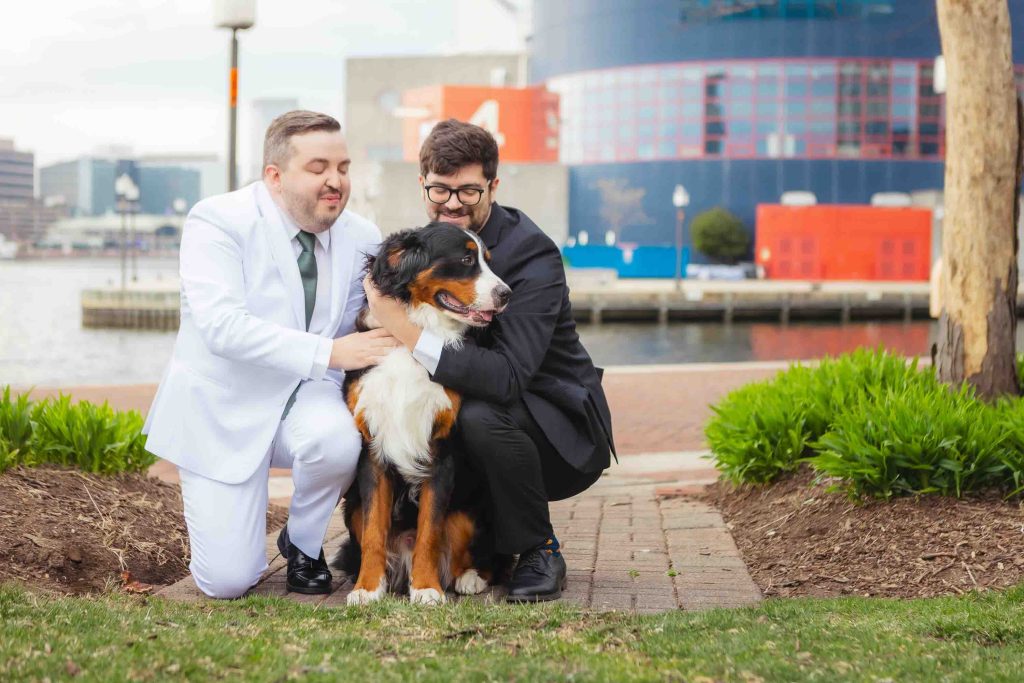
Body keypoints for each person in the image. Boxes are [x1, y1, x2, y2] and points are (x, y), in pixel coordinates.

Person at [143, 111, 396, 599]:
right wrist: (330, 352)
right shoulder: (216, 221)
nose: (335, 181)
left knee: (337, 441)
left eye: (342, 167)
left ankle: (302, 542)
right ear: (275, 176)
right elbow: (221, 327)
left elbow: (354, 323)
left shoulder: (362, 234)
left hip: (305, 395)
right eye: (318, 167)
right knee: (227, 582)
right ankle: (240, 536)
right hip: (224, 408)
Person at [364, 119, 615, 602]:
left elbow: (506, 377)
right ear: (423, 185)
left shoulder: (531, 254)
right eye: (440, 189)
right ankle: (457, 548)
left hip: (552, 423)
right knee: (422, 408)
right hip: (490, 407)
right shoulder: (426, 248)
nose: (452, 203)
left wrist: (400, 326)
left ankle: (540, 548)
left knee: (474, 413)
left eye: (468, 191)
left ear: (493, 187)